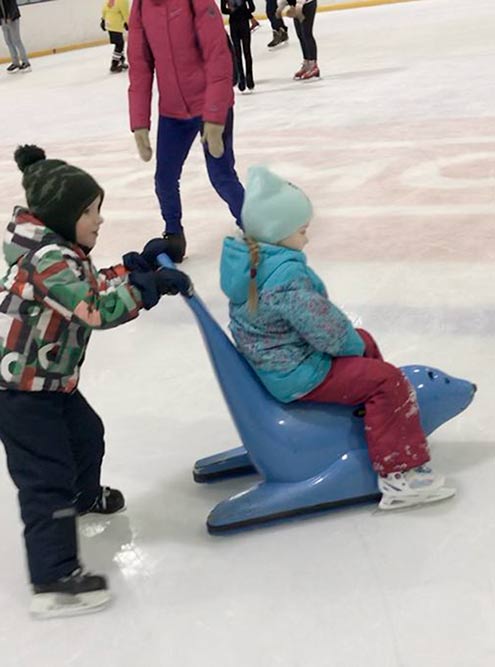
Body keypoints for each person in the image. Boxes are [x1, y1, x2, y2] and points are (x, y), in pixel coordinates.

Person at [0, 145, 192, 619]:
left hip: (49, 378)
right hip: (21, 392)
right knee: (45, 480)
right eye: (91, 211)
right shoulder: (46, 260)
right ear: (64, 215)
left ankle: (83, 497)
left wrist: (137, 269)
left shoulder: (62, 251)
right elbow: (96, 309)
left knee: (88, 434)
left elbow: (91, 286)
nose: (100, 220)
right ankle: (55, 580)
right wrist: (147, 291)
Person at [220, 166, 455, 511]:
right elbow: (326, 330)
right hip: (298, 372)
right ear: (278, 231)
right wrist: (353, 347)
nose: (307, 239)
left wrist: (356, 344)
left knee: (365, 342)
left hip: (280, 363)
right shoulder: (284, 274)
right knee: (388, 382)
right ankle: (400, 475)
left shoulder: (254, 262)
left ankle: (375, 423)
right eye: (302, 231)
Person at [127, 0, 245, 264]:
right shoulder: (141, 7)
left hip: (210, 103)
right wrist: (139, 123)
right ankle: (173, 235)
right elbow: (140, 67)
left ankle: (256, 228)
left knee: (221, 174)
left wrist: (214, 116)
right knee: (164, 178)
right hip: (172, 111)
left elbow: (218, 54)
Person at [277, 0, 319, 80]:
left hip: (307, 4)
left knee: (307, 34)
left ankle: (313, 65)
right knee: (300, 35)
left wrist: (300, 4)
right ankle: (307, 63)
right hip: (296, 5)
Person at [221, 0, 255, 92]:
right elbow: (223, 9)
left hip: (243, 24)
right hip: (235, 24)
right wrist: (231, 10)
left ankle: (249, 77)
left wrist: (240, 11)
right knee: (237, 53)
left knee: (247, 51)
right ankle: (241, 78)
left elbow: (252, 8)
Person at [0, 0, 30, 73]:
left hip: (12, 19)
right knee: (8, 41)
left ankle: (26, 62)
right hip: (3, 20)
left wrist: (11, 17)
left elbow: (12, 5)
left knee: (16, 40)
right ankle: (15, 63)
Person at [100, 0, 130, 73]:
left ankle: (121, 60)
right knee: (120, 44)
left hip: (109, 24)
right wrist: (128, 23)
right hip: (116, 25)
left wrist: (103, 20)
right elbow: (125, 13)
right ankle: (115, 64)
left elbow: (104, 9)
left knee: (119, 43)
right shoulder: (123, 1)